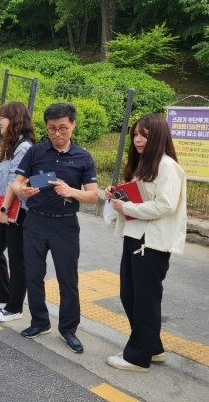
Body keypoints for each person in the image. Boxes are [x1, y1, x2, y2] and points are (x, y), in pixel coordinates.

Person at [11, 102, 98, 354]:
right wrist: (22, 190)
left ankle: (68, 329)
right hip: (36, 220)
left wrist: (72, 191)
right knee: (34, 274)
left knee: (67, 279)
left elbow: (93, 196)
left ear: (73, 125)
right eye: (52, 129)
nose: (57, 134)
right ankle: (39, 321)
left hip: (65, 225)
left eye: (63, 128)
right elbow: (16, 184)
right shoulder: (36, 152)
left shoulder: (83, 157)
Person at [105, 114, 187, 372]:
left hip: (152, 243)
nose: (138, 140)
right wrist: (116, 195)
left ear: (158, 137)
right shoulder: (147, 164)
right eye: (136, 135)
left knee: (144, 300)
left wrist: (127, 205)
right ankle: (153, 348)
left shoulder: (167, 166)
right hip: (136, 237)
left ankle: (137, 357)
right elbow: (139, 196)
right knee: (131, 295)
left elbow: (165, 204)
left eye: (144, 135)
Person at [0, 102, 35, 322]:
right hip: (5, 205)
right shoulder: (12, 145)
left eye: (2, 117)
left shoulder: (24, 147)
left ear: (14, 119)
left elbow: (15, 183)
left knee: (17, 259)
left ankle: (15, 307)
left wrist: (4, 209)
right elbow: (3, 179)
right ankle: (3, 294)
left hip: (17, 210)